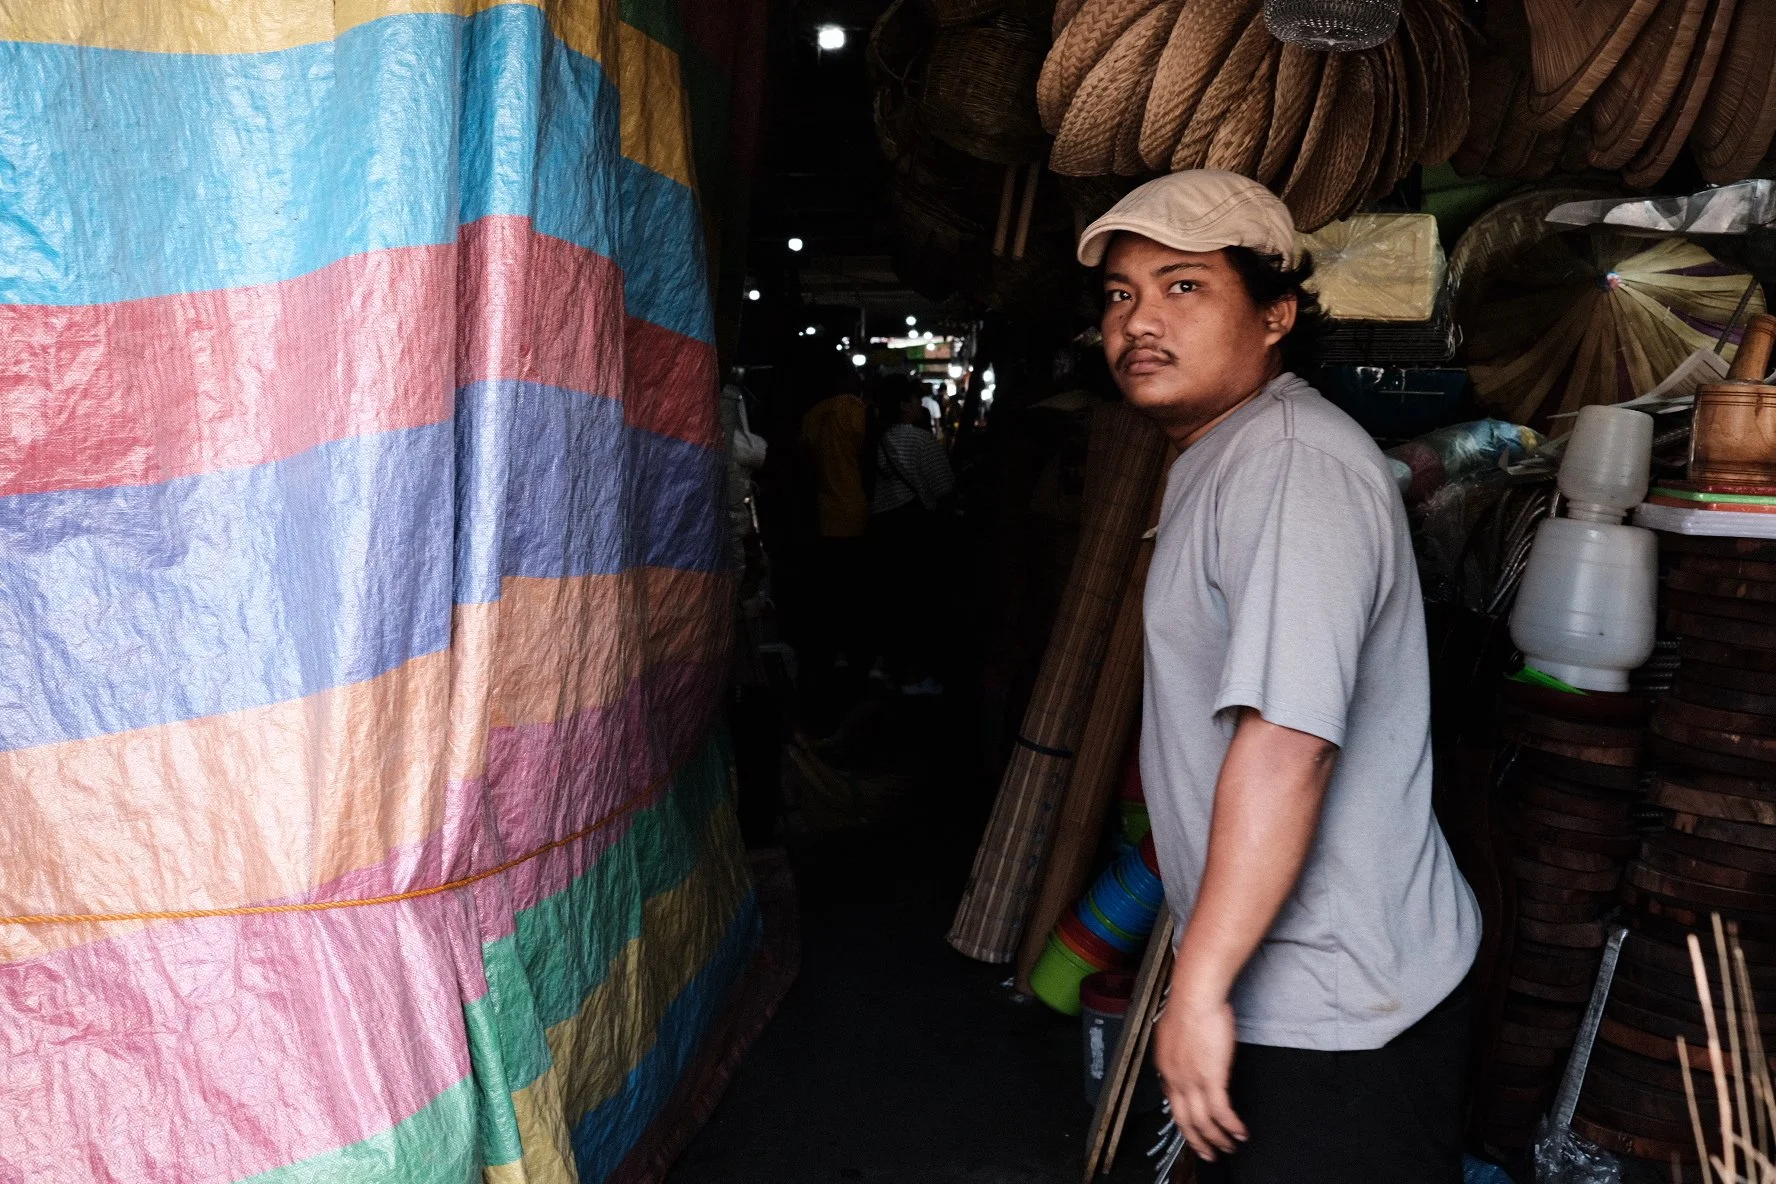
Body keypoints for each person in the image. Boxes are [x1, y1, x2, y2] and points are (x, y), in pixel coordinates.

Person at [1079, 170, 1481, 1182]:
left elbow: (1290, 743)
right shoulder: (1225, 451)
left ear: (1276, 315)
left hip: (1340, 1007)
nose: (1139, 321)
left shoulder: (1293, 466)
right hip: (1289, 986)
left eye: (1183, 287)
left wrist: (1197, 988)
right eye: (1122, 293)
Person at [868, 376, 956, 693]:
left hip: (882, 527)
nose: (920, 405)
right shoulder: (920, 440)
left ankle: (885, 666)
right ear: (903, 405)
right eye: (915, 400)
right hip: (915, 529)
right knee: (919, 601)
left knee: (891, 600)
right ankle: (914, 677)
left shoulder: (876, 439)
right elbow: (944, 486)